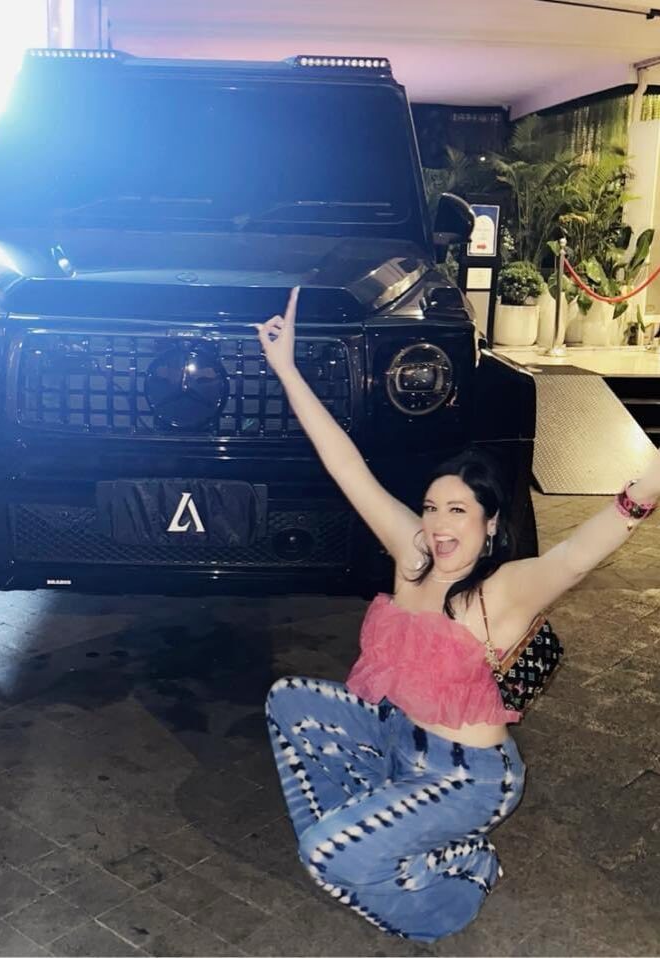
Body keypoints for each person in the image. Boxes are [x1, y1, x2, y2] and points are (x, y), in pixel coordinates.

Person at [257, 287, 660, 942]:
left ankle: (448, 882)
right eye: (433, 506)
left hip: (465, 779)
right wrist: (287, 369)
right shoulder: (411, 551)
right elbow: (344, 463)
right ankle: (378, 835)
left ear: (490, 524)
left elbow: (578, 555)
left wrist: (646, 487)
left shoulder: (500, 592)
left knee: (325, 855)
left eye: (459, 512)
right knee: (287, 701)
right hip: (395, 741)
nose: (440, 525)